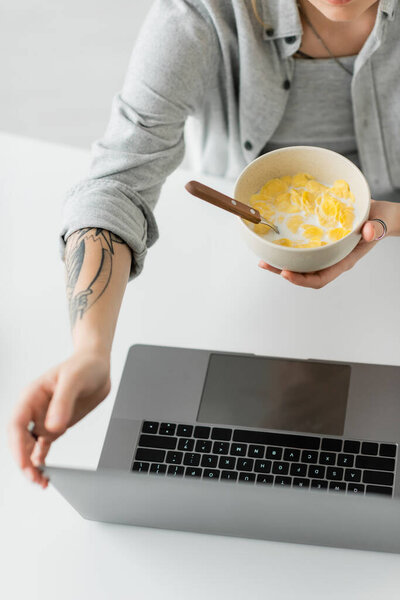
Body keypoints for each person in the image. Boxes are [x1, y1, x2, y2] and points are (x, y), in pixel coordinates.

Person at [8, 0, 400, 488]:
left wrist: (390, 221)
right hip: (231, 292)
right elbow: (117, 184)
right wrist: (91, 350)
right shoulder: (200, 13)